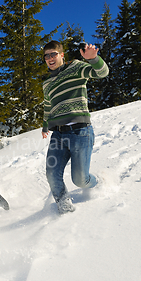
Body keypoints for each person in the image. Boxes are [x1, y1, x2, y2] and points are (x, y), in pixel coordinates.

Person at [41, 41, 109, 214]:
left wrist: (94, 59)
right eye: (46, 55)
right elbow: (48, 106)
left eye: (53, 54)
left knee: (80, 180)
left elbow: (102, 73)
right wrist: (45, 125)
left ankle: (99, 183)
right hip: (58, 134)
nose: (50, 58)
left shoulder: (76, 67)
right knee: (51, 174)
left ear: (62, 55)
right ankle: (65, 211)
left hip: (80, 132)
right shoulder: (47, 83)